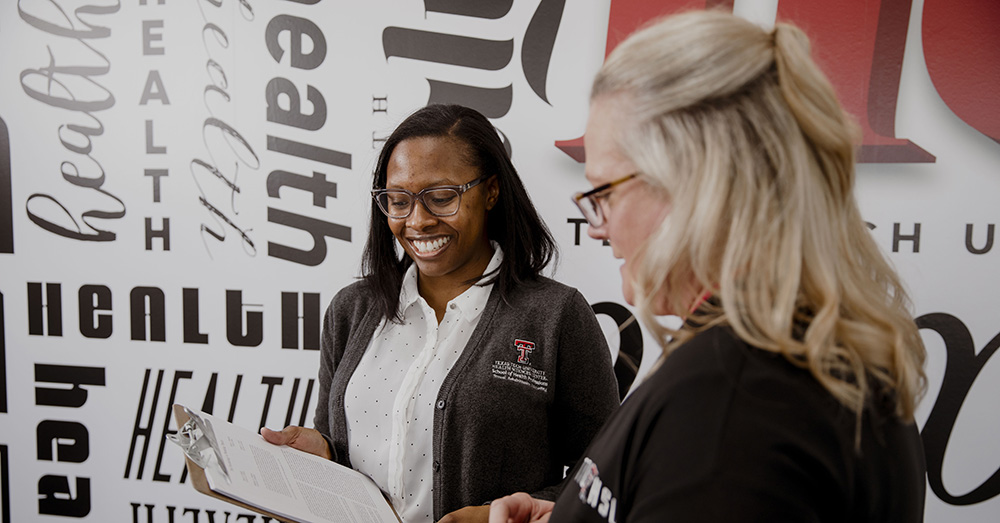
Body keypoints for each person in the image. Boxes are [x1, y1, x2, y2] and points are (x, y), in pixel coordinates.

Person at [490, 10, 927, 523]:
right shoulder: (779, 356)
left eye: (603, 192)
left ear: (698, 184)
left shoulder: (736, 406)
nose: (596, 226)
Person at [261, 104, 620, 523]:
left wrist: (496, 517)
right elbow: (338, 447)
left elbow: (605, 474)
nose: (418, 221)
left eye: (441, 198)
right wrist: (321, 455)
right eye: (398, 200)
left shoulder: (555, 317)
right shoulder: (352, 310)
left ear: (491, 191)